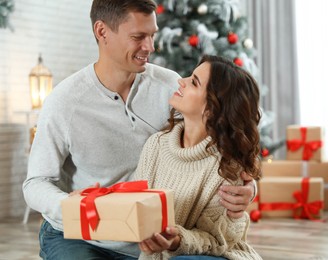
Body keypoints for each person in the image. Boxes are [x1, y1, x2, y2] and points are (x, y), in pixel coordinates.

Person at [22, 1, 256, 259]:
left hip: (150, 239)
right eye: (138, 37)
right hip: (82, 236)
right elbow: (36, 183)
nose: (150, 47)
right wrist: (72, 206)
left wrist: (246, 188)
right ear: (102, 32)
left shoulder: (169, 86)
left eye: (152, 35)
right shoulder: (65, 101)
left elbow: (221, 133)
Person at [132, 55, 262, 260]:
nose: (180, 81)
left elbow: (215, 241)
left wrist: (176, 241)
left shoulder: (226, 168)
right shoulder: (155, 145)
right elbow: (135, 207)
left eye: (193, 82)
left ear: (211, 108)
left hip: (217, 256)